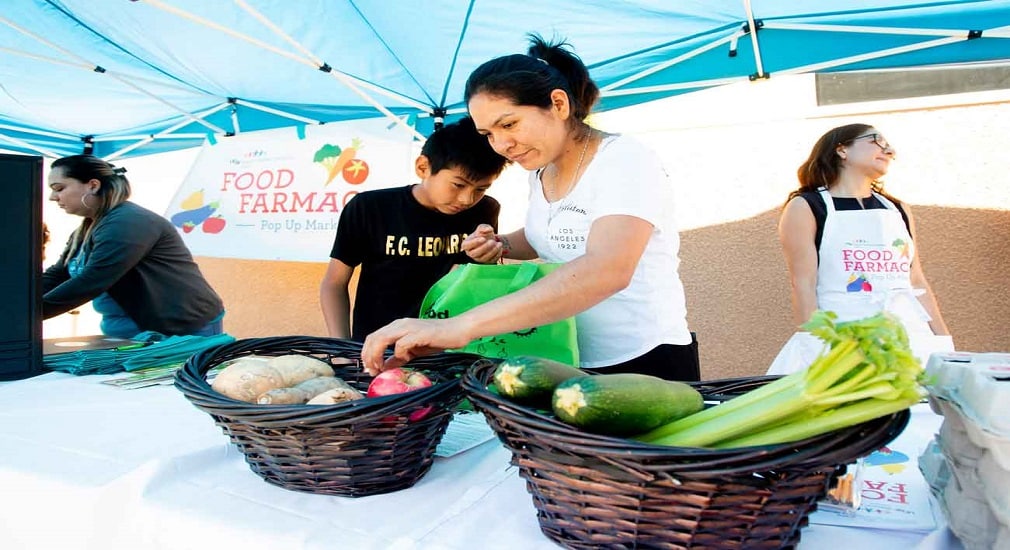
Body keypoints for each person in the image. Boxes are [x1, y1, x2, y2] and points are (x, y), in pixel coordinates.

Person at [361, 34, 698, 381]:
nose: (501, 145)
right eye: (488, 133)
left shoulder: (624, 160)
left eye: (508, 124)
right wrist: (502, 243)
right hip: (568, 354)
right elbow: (552, 236)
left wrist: (460, 326)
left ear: (559, 104)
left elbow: (607, 269)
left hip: (644, 360)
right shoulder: (540, 170)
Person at [768, 124, 953, 374]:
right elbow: (803, 283)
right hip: (842, 340)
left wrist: (943, 342)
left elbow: (916, 279)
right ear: (842, 150)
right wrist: (813, 344)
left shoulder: (898, 210)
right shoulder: (807, 207)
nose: (889, 150)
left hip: (910, 339)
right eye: (877, 141)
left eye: (890, 147)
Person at [319, 116, 509, 341]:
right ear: (423, 167)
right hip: (377, 345)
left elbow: (471, 285)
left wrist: (488, 257)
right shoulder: (369, 208)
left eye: (481, 189)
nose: (467, 199)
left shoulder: (485, 210)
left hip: (448, 347)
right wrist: (342, 349)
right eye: (458, 185)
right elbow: (334, 284)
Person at [43, 154, 225, 338]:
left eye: (59, 188)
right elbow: (59, 273)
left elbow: (93, 280)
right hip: (134, 329)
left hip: (180, 328)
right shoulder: (87, 228)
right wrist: (19, 303)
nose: (53, 197)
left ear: (93, 185)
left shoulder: (127, 222)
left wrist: (30, 314)